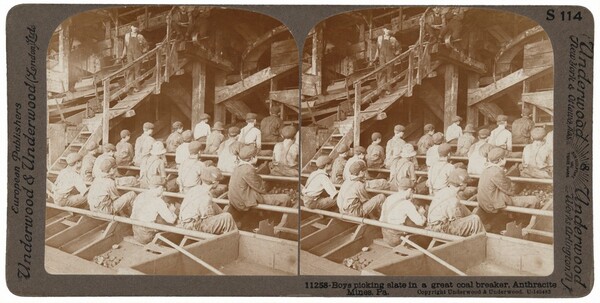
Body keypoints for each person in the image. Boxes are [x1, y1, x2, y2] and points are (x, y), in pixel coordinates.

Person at [477, 147, 540, 229]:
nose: (506, 160)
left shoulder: (486, 169)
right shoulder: (496, 171)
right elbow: (509, 190)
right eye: (505, 158)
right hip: (492, 204)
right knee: (534, 200)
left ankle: (515, 218)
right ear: (500, 160)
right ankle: (523, 224)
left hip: (485, 201)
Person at [228, 145, 292, 213]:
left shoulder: (237, 168)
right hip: (244, 203)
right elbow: (261, 188)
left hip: (236, 200)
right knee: (286, 198)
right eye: (256, 156)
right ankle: (275, 218)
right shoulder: (248, 169)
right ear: (252, 158)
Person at [427, 168, 485, 236]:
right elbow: (456, 219)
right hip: (440, 229)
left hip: (434, 224)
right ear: (462, 184)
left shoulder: (444, 191)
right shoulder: (453, 200)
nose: (466, 185)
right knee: (475, 220)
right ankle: (480, 242)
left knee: (463, 208)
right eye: (466, 183)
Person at [179, 167, 237, 234]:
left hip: (185, 222)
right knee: (227, 217)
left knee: (214, 205)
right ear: (215, 183)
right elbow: (207, 217)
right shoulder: (206, 196)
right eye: (218, 181)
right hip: (193, 226)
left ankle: (231, 225)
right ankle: (232, 238)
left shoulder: (194, 189)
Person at [130, 176, 177, 244]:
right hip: (147, 236)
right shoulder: (158, 201)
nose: (163, 190)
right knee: (174, 229)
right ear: (160, 188)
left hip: (136, 233)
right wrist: (172, 211)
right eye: (163, 188)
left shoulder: (140, 195)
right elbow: (171, 220)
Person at [379, 178, 427, 246]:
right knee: (424, 229)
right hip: (397, 239)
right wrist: (422, 214)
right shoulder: (406, 203)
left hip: (385, 235)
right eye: (413, 191)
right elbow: (420, 223)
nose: (412, 194)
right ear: (409, 190)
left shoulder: (389, 198)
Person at [120, 24, 148, 93]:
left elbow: (146, 46)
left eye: (136, 27)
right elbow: (125, 47)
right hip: (129, 55)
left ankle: (137, 87)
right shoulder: (127, 36)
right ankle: (130, 87)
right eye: (133, 27)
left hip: (137, 55)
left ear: (137, 29)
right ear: (131, 27)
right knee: (130, 70)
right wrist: (123, 55)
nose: (135, 28)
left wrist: (143, 51)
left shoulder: (140, 37)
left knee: (137, 70)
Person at [374, 28, 400, 94]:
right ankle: (382, 90)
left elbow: (399, 49)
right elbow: (378, 50)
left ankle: (389, 89)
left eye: (389, 29)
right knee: (382, 73)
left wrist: (396, 55)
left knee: (389, 72)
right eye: (386, 29)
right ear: (384, 30)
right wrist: (375, 58)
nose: (387, 31)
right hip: (382, 58)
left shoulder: (393, 39)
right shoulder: (379, 38)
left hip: (390, 58)